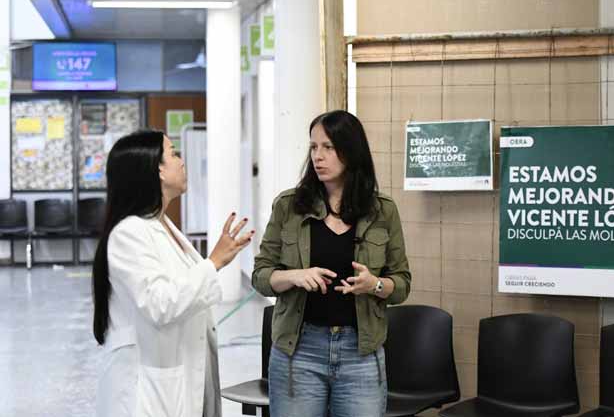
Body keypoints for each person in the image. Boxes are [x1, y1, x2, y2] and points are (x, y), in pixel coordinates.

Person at [252, 110, 411, 417]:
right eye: (313, 147)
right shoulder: (289, 206)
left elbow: (401, 284)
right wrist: (294, 276)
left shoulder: (382, 211)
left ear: (351, 151)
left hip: (360, 353)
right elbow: (260, 276)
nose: (318, 157)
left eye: (328, 147)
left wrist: (374, 285)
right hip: (298, 352)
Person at [92, 130, 254, 417]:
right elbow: (159, 304)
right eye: (174, 153)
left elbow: (182, 288)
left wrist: (214, 263)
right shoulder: (129, 233)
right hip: (147, 390)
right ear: (156, 170)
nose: (182, 162)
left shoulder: (163, 225)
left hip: (181, 377)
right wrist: (212, 263)